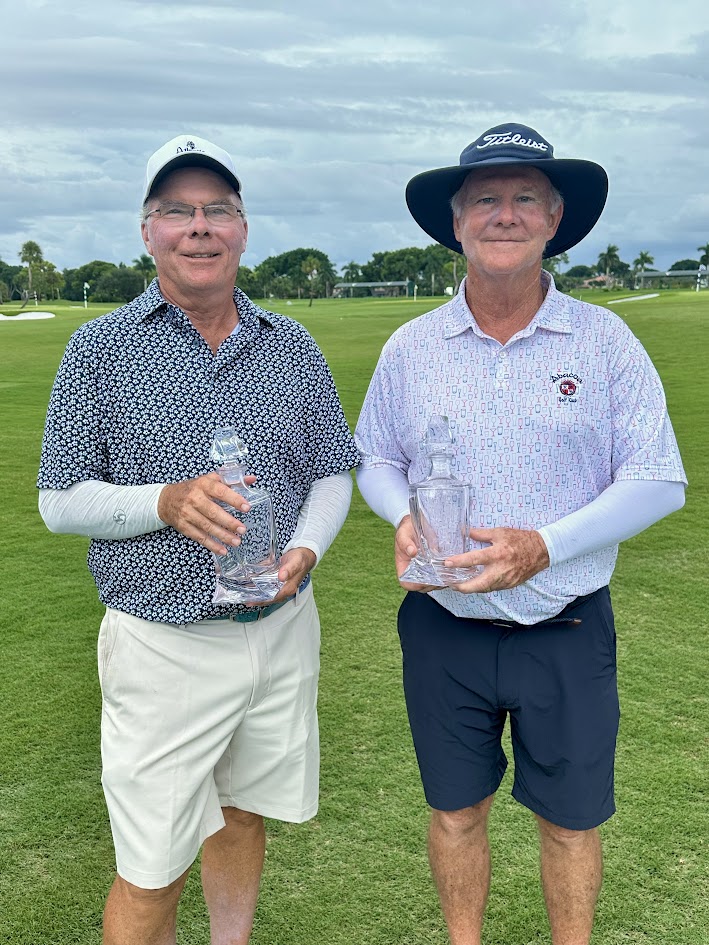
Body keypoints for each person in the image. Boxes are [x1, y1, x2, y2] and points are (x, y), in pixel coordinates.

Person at [355, 122, 687, 945]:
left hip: (564, 625)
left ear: (553, 220)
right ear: (457, 222)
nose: (503, 215)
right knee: (455, 812)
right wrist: (399, 514)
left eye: (523, 199)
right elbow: (372, 457)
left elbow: (656, 480)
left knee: (570, 823)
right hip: (444, 626)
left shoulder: (604, 341)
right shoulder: (410, 346)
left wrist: (543, 546)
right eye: (484, 201)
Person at [37, 134, 360, 945]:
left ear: (243, 229)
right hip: (163, 642)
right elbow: (59, 500)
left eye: (218, 210)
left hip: (280, 627)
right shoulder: (99, 349)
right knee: (152, 866)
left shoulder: (291, 344)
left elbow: (330, 469)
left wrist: (308, 550)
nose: (199, 227)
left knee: (242, 816)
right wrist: (166, 501)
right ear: (147, 232)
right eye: (176, 211)